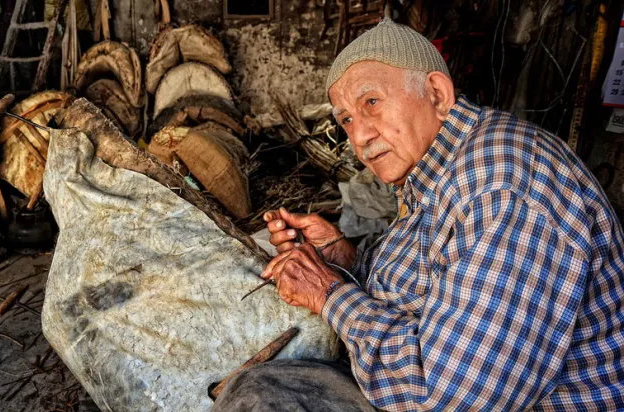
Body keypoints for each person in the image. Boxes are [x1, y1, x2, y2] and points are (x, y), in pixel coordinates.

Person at [260, 19, 624, 410]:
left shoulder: (502, 187)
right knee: (265, 388)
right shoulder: (436, 168)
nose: (359, 136)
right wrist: (343, 259)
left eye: (372, 103)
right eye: (346, 119)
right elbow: (429, 276)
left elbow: (453, 398)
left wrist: (328, 293)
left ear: (436, 93)